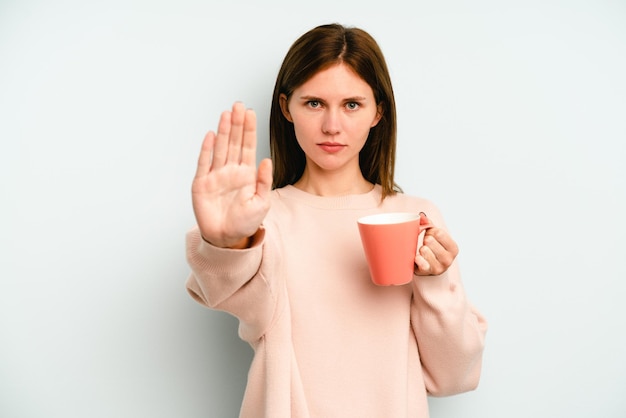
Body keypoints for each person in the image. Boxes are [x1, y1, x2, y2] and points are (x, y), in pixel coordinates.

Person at [185, 23, 487, 418]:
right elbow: (240, 299)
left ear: (378, 111)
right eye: (313, 103)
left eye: (351, 104)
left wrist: (436, 282)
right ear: (285, 107)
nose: (332, 126)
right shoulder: (264, 218)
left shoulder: (415, 217)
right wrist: (227, 242)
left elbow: (453, 376)